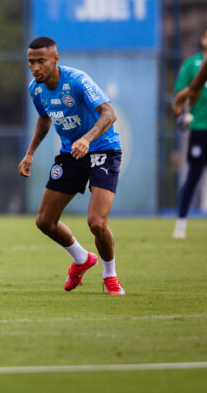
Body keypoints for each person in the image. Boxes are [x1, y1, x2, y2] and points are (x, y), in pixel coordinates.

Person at [19, 36, 125, 296]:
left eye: (41, 61)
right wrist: (30, 153)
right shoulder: (36, 89)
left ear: (56, 59)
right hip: (71, 154)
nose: (35, 67)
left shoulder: (77, 80)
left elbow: (109, 113)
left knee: (97, 223)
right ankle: (81, 258)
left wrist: (87, 139)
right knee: (45, 222)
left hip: (103, 150)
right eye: (31, 62)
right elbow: (44, 119)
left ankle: (110, 276)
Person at [171, 25, 207, 239]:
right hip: (200, 129)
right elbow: (180, 93)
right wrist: (182, 115)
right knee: (193, 176)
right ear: (203, 40)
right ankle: (180, 224)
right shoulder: (191, 64)